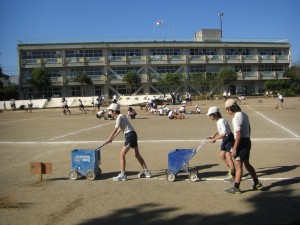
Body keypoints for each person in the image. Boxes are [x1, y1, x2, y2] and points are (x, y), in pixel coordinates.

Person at [104, 103, 151, 181]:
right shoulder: (122, 116)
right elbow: (120, 129)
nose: (110, 113)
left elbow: (115, 129)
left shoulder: (119, 117)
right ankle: (147, 172)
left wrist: (108, 139)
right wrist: (112, 138)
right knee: (137, 154)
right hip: (132, 135)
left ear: (114, 111)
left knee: (121, 155)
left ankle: (123, 175)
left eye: (110, 111)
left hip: (130, 136)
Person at [224, 99, 263, 194]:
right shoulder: (244, 114)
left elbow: (238, 134)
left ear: (230, 108)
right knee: (247, 164)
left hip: (240, 142)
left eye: (226, 109)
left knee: (238, 165)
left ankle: (236, 187)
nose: (226, 111)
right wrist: (247, 138)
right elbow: (249, 128)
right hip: (247, 140)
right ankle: (257, 183)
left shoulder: (236, 118)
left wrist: (235, 148)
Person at [207, 106, 235, 182]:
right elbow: (219, 130)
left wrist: (214, 139)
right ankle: (231, 169)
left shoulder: (221, 121)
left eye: (210, 115)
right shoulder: (219, 121)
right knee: (221, 156)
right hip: (225, 139)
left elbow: (224, 133)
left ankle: (233, 174)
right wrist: (214, 134)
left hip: (229, 138)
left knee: (228, 156)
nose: (209, 117)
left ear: (215, 114)